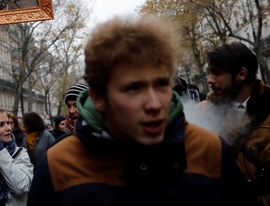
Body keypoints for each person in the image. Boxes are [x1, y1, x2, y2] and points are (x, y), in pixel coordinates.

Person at [27, 15, 256, 205]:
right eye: (133, 89)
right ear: (98, 97)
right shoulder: (58, 165)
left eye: (161, 84)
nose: (155, 104)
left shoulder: (210, 150)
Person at [196, 42, 270, 204]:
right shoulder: (202, 112)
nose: (209, 80)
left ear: (241, 74)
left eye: (217, 73)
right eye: (209, 72)